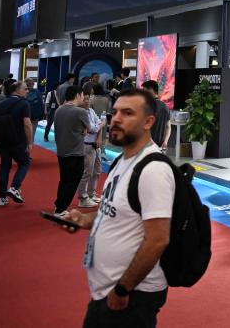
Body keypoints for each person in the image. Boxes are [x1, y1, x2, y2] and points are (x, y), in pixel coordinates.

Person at [56, 89, 176, 328]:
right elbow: (113, 211)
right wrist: (84, 219)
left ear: (148, 122)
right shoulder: (122, 161)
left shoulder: (153, 170)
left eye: (128, 113)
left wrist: (123, 289)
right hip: (107, 289)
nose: (117, 119)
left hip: (132, 294)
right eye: (115, 112)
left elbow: (158, 239)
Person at [0, 80, 34, 206]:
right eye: (25, 89)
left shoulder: (0, 104)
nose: (27, 91)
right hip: (18, 140)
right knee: (25, 162)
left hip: (2, 140)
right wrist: (30, 142)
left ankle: (1, 198)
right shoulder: (23, 103)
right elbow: (27, 124)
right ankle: (14, 187)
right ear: (17, 90)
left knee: (5, 167)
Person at [53, 85, 91, 216]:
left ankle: (59, 205)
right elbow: (89, 128)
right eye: (82, 95)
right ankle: (61, 209)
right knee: (72, 181)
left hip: (61, 151)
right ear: (77, 95)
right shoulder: (80, 111)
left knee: (64, 180)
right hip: (75, 152)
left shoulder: (59, 110)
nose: (83, 98)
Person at [78, 91, 104, 208]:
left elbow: (98, 124)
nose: (87, 101)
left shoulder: (91, 111)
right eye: (84, 99)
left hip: (95, 145)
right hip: (86, 145)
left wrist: (99, 136)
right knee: (87, 172)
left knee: (97, 170)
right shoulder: (80, 112)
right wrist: (100, 125)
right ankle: (82, 198)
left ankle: (91, 194)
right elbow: (93, 128)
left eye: (88, 99)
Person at [142, 80, 171, 153]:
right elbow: (168, 127)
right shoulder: (165, 107)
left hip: (146, 147)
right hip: (159, 147)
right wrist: (165, 141)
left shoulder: (147, 106)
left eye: (144, 90)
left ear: (150, 90)